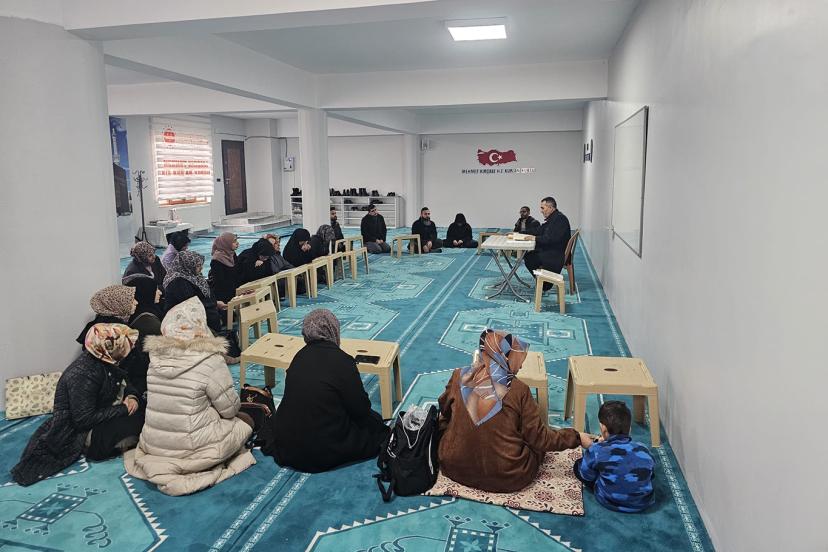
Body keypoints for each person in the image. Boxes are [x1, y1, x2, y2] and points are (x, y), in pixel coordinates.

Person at [124, 298, 255, 496]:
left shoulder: (155, 360)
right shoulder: (210, 360)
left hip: (154, 444)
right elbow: (230, 410)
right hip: (195, 447)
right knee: (246, 420)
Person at [437, 329, 593, 493]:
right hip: (508, 476)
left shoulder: (459, 376)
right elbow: (540, 439)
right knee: (535, 444)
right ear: (504, 358)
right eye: (516, 358)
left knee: (450, 426)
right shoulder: (519, 390)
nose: (521, 365)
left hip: (454, 468)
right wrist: (576, 437)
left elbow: (444, 410)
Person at [11, 323, 143, 486]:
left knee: (143, 409)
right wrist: (123, 409)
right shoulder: (83, 374)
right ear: (109, 348)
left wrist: (131, 397)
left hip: (102, 413)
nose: (131, 348)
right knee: (138, 422)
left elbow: (125, 380)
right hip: (80, 431)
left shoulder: (106, 361)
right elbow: (83, 419)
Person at [268, 309, 389, 473]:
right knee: (375, 427)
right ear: (333, 330)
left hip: (288, 446)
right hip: (322, 449)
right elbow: (360, 410)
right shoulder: (342, 360)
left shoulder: (299, 357)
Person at [575, 400, 655, 513]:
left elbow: (586, 475)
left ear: (603, 429)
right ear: (630, 429)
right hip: (642, 503)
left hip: (609, 501)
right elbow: (651, 472)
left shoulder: (596, 450)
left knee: (578, 465)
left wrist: (593, 446)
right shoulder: (643, 449)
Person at [124, 277, 164, 402]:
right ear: (146, 292)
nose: (160, 292)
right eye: (156, 290)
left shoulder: (139, 313)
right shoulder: (148, 322)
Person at [163, 250, 222, 333]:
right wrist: (213, 304)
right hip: (185, 318)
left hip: (199, 311)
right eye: (198, 266)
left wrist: (215, 303)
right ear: (188, 265)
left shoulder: (193, 275)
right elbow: (191, 303)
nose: (201, 268)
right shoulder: (178, 281)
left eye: (201, 265)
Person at [523, 196, 571, 289]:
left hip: (557, 254)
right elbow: (539, 230)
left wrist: (534, 238)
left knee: (530, 257)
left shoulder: (560, 219)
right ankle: (543, 282)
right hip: (554, 249)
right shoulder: (554, 218)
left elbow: (549, 239)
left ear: (550, 208)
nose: (541, 211)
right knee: (530, 255)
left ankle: (545, 285)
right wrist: (520, 233)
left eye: (542, 208)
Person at [208, 232, 240, 303]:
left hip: (235, 290)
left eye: (236, 240)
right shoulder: (216, 260)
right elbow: (220, 282)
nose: (237, 243)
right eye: (234, 241)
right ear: (226, 243)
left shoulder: (231, 254)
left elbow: (238, 271)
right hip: (225, 296)